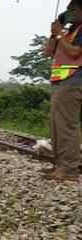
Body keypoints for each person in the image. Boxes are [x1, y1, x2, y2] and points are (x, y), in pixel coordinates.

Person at [43, 0, 82, 181]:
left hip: (74, 81)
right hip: (61, 82)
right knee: (56, 124)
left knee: (66, 125)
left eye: (73, 9)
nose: (70, 13)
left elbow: (75, 53)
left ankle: (69, 169)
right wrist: (54, 35)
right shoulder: (68, 32)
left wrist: (59, 36)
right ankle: (60, 165)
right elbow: (47, 51)